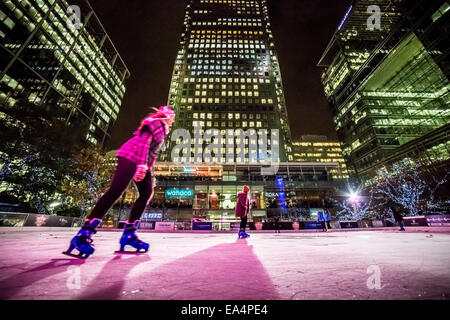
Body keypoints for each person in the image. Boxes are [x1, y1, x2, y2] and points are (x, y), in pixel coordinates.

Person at [63, 106, 175, 258]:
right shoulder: (157, 123)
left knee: (146, 193)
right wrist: (142, 165)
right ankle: (83, 234)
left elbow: (151, 154)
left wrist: (150, 174)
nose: (172, 119)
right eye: (171, 116)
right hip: (130, 156)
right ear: (166, 115)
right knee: (116, 190)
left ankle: (128, 235)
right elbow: (144, 143)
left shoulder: (162, 129)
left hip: (141, 160)